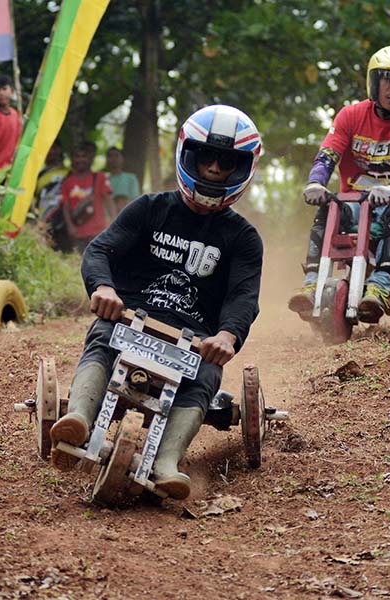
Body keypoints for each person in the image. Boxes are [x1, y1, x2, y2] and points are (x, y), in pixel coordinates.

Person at [49, 104, 264, 501]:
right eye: (206, 157)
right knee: (102, 338)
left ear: (243, 168)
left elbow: (243, 296)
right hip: (129, 317)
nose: (215, 169)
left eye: (228, 161)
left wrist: (228, 335)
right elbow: (100, 251)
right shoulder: (150, 208)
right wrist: (103, 289)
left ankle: (167, 462)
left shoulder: (244, 238)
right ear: (188, 155)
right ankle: (78, 417)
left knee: (205, 378)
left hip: (194, 339)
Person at [288, 45, 390, 324]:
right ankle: (311, 284)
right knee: (328, 208)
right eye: (388, 80)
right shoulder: (351, 115)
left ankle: (379, 287)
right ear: (375, 81)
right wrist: (315, 183)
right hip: (355, 205)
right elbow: (328, 154)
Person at [59, 143, 116, 253]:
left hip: (99, 232)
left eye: (84, 156)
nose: (80, 160)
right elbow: (65, 206)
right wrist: (70, 226)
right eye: (77, 156)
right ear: (72, 159)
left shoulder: (99, 177)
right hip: (78, 234)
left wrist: (114, 223)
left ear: (90, 159)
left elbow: (109, 201)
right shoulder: (67, 182)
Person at [104, 147, 140, 212]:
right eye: (110, 156)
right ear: (106, 160)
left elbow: (135, 200)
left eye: (116, 155)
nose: (113, 158)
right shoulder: (103, 179)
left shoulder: (131, 178)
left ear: (122, 159)